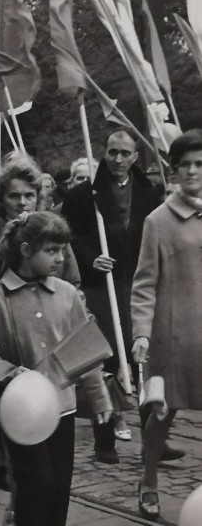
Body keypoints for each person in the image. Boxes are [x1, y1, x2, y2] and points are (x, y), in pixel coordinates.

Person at [0, 212, 111, 526]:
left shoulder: (66, 294)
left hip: (61, 408)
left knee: (59, 487)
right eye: (51, 250)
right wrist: (14, 375)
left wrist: (99, 401)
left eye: (62, 250)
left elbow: (86, 350)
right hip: (21, 413)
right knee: (35, 484)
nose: (60, 258)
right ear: (26, 250)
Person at [0, 152, 86, 484]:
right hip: (9, 374)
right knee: (24, 473)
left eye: (29, 195)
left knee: (51, 479)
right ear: (0, 200)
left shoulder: (54, 243)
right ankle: (22, 516)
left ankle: (25, 516)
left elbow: (71, 288)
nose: (22, 202)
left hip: (55, 381)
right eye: (14, 195)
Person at [62, 131, 165, 449]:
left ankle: (154, 440)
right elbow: (68, 235)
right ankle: (104, 437)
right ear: (104, 154)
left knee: (145, 360)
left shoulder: (150, 193)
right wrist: (92, 258)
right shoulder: (83, 195)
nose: (118, 159)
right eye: (112, 152)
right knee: (104, 360)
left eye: (125, 153)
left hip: (137, 283)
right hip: (101, 286)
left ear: (136, 157)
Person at [131, 130, 202, 520]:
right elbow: (144, 283)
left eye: (199, 164)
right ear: (173, 170)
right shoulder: (157, 221)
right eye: (185, 164)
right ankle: (148, 478)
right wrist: (140, 333)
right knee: (161, 413)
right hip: (171, 337)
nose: (192, 171)